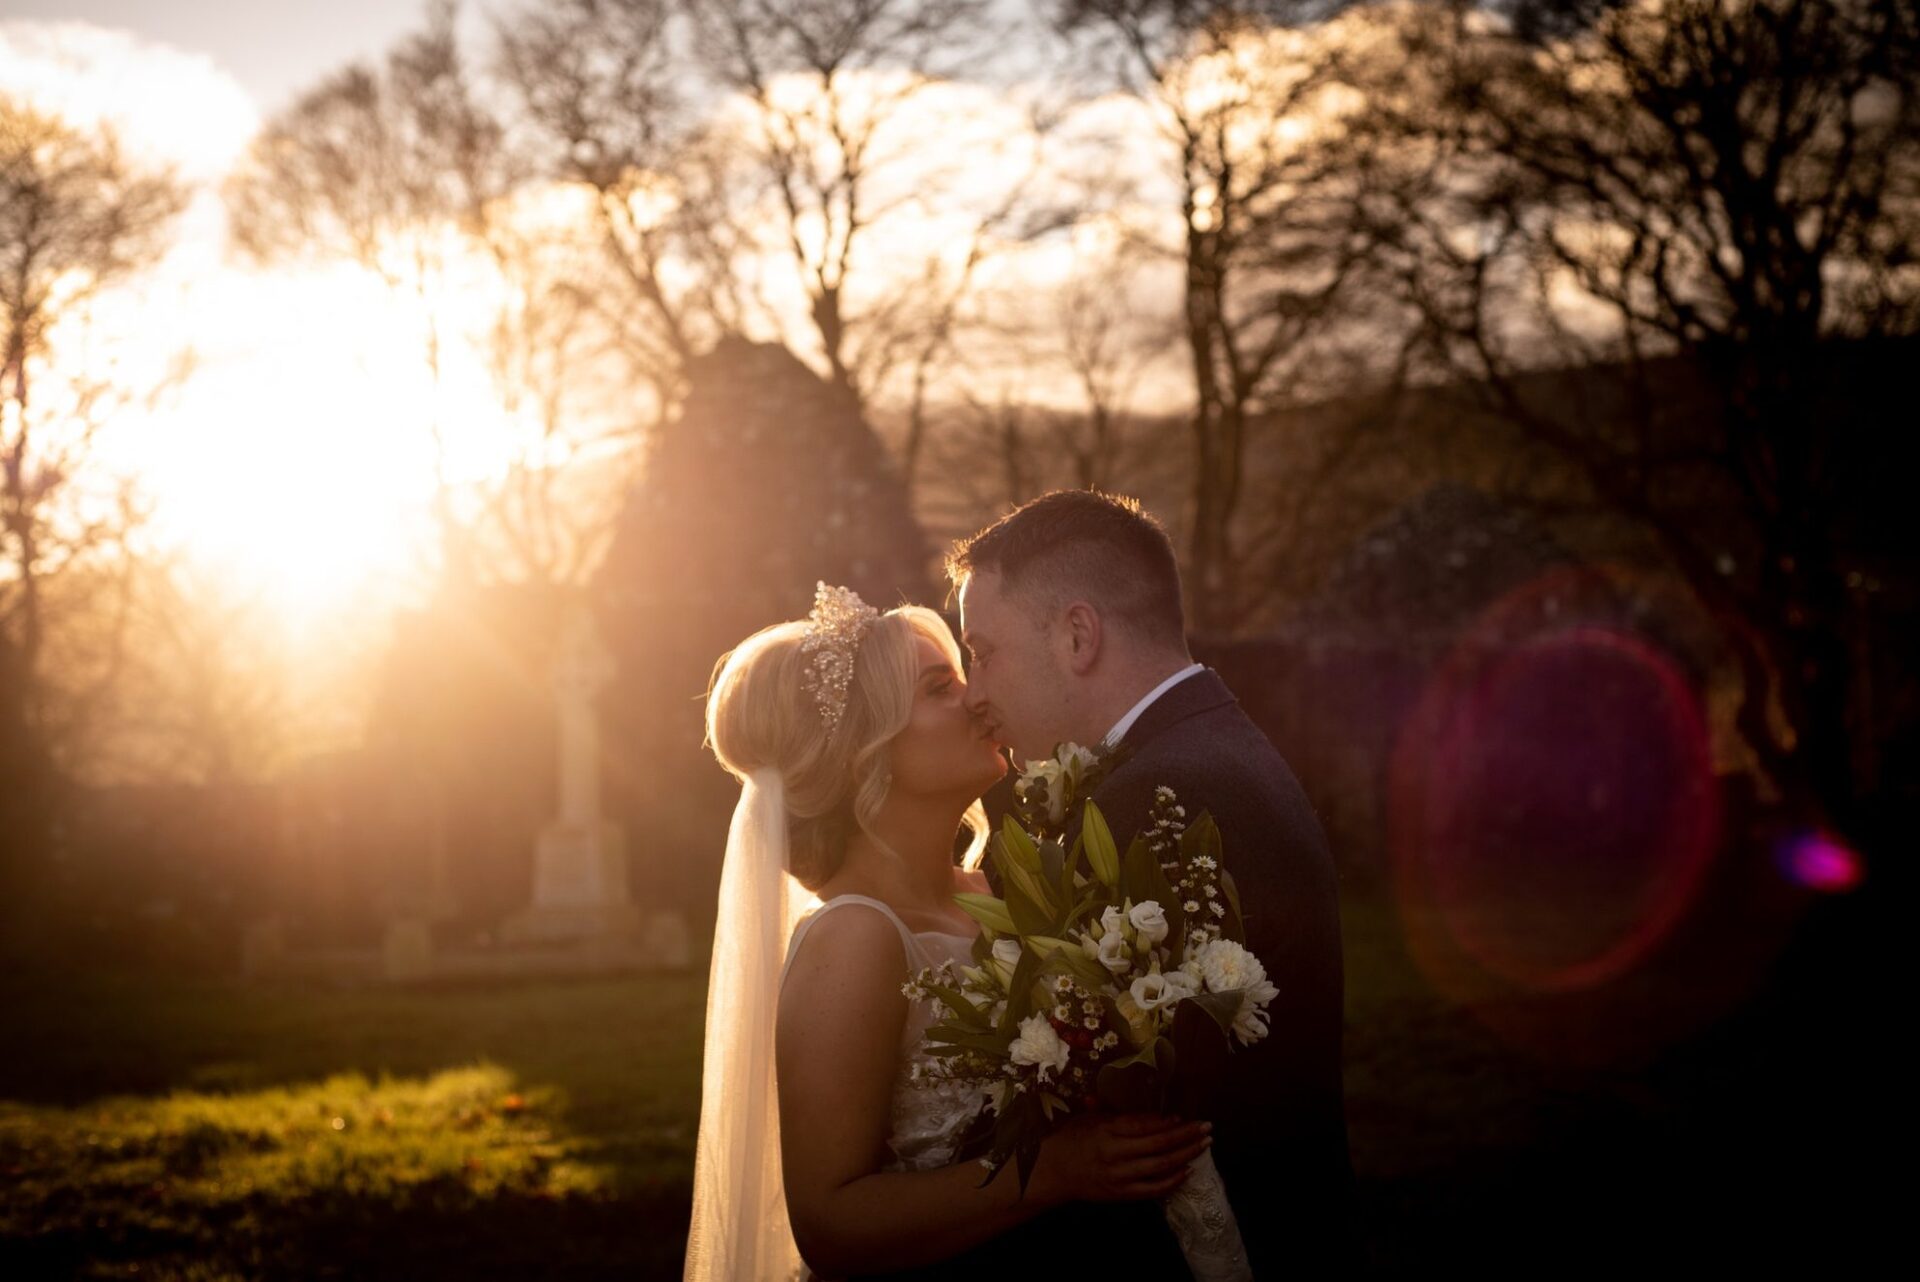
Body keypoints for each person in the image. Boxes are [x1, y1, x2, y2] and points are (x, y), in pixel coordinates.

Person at [686, 583, 1212, 1282]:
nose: (976, 699)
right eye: (939, 688)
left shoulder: (991, 889)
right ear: (860, 749)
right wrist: (1054, 1172)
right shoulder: (855, 939)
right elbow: (829, 1222)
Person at [949, 490, 1353, 1276]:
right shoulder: (1204, 751)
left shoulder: (1161, 797)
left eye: (983, 650)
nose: (973, 691)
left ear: (1076, 635)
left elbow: (1133, 1116)